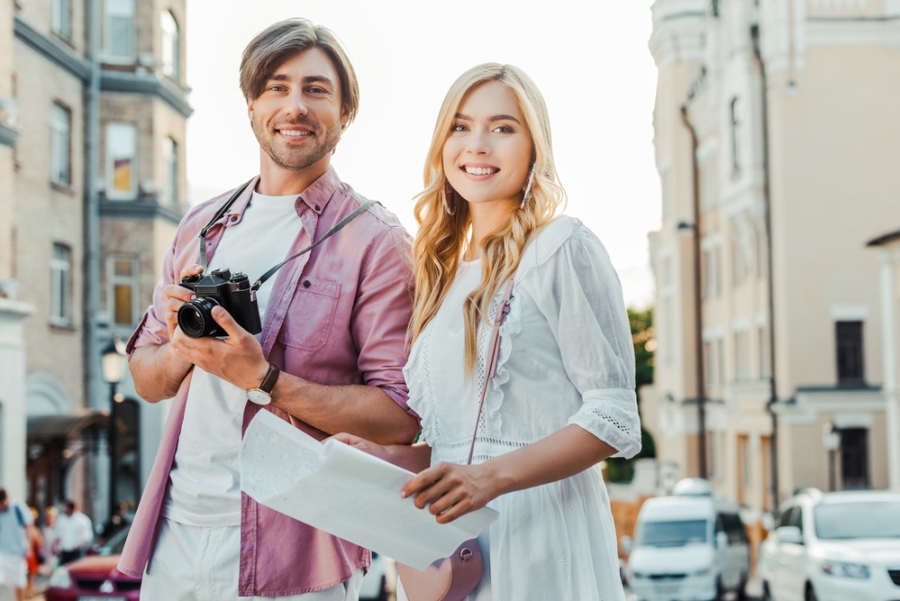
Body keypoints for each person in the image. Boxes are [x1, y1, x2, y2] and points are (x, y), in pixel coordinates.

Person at [116, 18, 417, 601]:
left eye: (316, 89)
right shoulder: (200, 226)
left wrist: (264, 380)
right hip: (176, 536)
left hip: (296, 548)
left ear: (346, 111)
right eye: (276, 87)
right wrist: (181, 347)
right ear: (251, 105)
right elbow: (147, 379)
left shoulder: (375, 240)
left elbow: (400, 415)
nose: (295, 105)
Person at [334, 64, 641, 600]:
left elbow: (612, 415)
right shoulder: (441, 274)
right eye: (459, 126)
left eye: (502, 127)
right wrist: (385, 461)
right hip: (449, 550)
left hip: (538, 537)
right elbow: (458, 440)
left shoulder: (562, 246)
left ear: (533, 146)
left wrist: (490, 479)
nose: (477, 145)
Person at [0, 488, 32, 601]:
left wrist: (29, 549)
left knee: (19, 582)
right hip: (2, 553)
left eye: (3, 504)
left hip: (17, 553)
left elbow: (28, 528)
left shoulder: (18, 508)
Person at [56, 500, 93, 565]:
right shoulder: (62, 519)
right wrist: (58, 547)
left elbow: (87, 536)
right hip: (63, 552)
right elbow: (58, 534)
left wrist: (79, 544)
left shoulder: (82, 520)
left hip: (76, 552)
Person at [40, 506, 59, 576]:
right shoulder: (43, 528)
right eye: (47, 516)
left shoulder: (58, 528)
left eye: (50, 516)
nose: (49, 518)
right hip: (45, 556)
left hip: (55, 556)